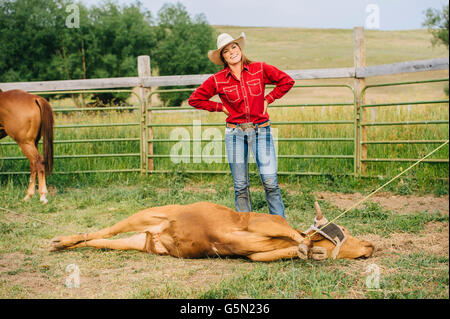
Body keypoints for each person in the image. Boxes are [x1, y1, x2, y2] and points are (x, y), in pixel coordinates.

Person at [188, 32, 294, 218]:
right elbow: (195, 99)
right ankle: (246, 228)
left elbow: (286, 81)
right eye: (226, 51)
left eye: (234, 47)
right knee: (240, 186)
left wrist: (268, 98)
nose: (231, 52)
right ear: (223, 58)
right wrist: (219, 107)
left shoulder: (259, 69)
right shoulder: (217, 79)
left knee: (270, 182)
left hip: (262, 130)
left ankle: (280, 225)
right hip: (235, 134)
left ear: (240, 48)